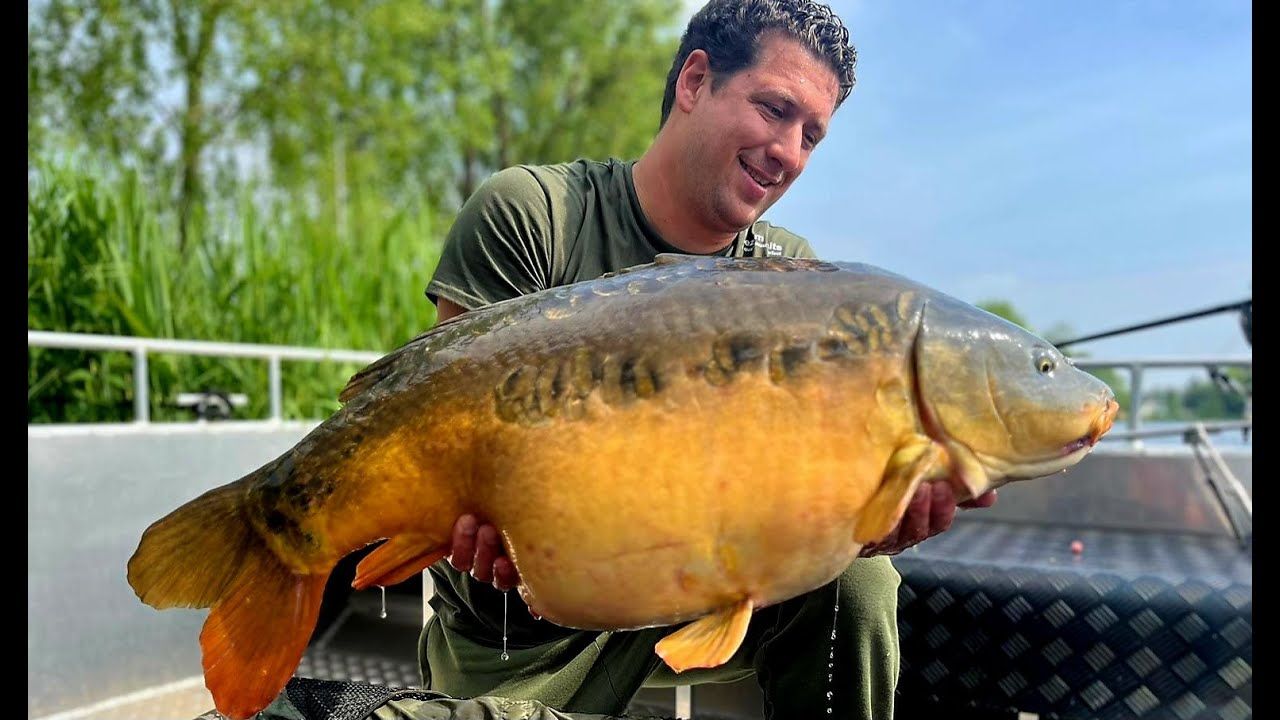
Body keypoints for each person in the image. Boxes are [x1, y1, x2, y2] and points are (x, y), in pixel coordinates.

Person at [412, 2, 996, 718]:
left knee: (858, 583)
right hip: (526, 626)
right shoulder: (536, 215)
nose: (789, 151)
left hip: (704, 589)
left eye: (812, 134)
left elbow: (801, 497)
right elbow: (439, 429)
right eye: (775, 109)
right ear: (694, 81)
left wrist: (868, 521)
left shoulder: (794, 282)